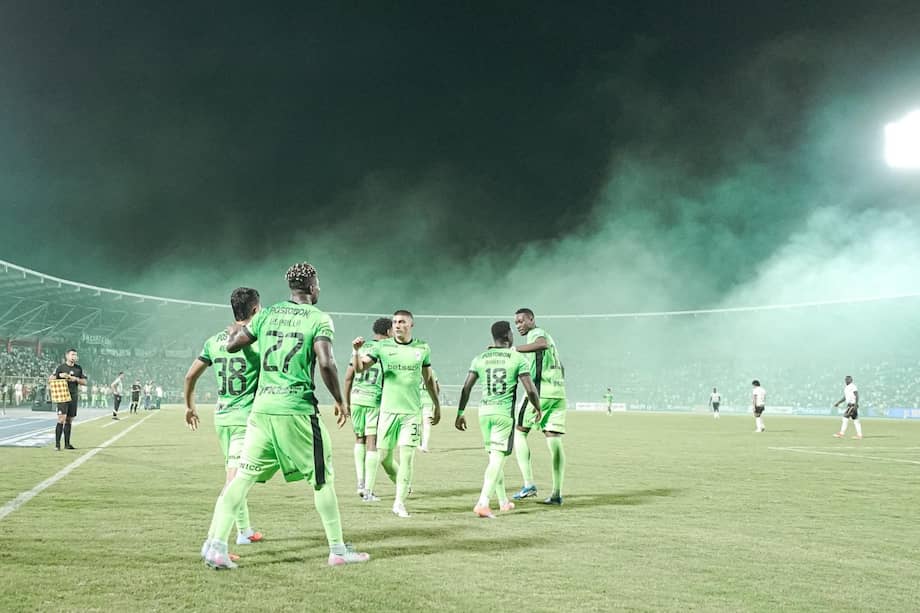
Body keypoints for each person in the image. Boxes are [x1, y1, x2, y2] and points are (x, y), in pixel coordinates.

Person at [203, 262, 369, 568]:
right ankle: (337, 551)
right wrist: (340, 400)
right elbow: (326, 362)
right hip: (296, 409)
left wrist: (236, 332)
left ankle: (216, 547)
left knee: (242, 478)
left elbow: (233, 345)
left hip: (262, 410)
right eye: (318, 284)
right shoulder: (318, 318)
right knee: (322, 479)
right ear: (312, 287)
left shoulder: (266, 314)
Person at [186, 287, 264, 559]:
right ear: (255, 309)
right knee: (234, 481)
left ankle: (244, 531)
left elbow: (190, 377)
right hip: (245, 419)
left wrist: (189, 407)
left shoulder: (214, 341)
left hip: (222, 418)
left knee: (236, 475)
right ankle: (213, 543)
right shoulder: (258, 340)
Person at [352, 309, 441, 518]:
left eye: (402, 322)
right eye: (395, 322)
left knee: (407, 457)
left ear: (411, 325)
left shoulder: (422, 348)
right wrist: (356, 352)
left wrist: (436, 405)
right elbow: (359, 369)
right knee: (383, 457)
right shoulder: (382, 347)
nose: (398, 325)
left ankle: (399, 502)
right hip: (387, 413)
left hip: (411, 414)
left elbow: (428, 380)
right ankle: (375, 488)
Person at [456, 321, 542, 518]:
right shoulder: (517, 358)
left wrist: (460, 412)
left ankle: (503, 502)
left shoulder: (480, 358)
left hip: (484, 413)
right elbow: (530, 389)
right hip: (503, 414)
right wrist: (538, 407)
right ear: (508, 335)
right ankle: (483, 503)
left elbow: (466, 387)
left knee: (494, 458)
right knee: (497, 459)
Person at [511, 308, 567, 505]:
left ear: (531, 319)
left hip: (540, 392)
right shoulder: (551, 341)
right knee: (554, 439)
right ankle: (556, 493)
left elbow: (541, 344)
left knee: (519, 432)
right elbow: (562, 366)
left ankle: (528, 484)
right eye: (516, 323)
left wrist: (514, 349)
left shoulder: (537, 333)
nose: (518, 325)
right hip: (558, 393)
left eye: (521, 321)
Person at [342, 317, 393, 499]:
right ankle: (368, 492)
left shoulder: (362, 348)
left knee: (359, 439)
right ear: (388, 331)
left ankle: (360, 483)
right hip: (374, 399)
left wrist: (346, 402)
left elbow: (348, 377)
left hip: (356, 397)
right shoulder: (387, 349)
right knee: (373, 443)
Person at [49, 349, 87, 451]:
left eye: (75, 355)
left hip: (73, 396)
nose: (74, 356)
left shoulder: (78, 368)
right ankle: (57, 444)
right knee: (61, 418)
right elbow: (50, 379)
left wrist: (76, 379)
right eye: (72, 354)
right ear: (67, 356)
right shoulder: (61, 367)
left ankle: (67, 444)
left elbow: (84, 382)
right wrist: (59, 375)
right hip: (63, 395)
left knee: (69, 420)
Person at [833, 375, 863, 439]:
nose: (846, 380)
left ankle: (841, 433)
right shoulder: (846, 388)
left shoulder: (853, 386)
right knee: (856, 420)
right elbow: (845, 397)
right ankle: (859, 435)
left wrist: (856, 404)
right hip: (850, 405)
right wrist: (838, 403)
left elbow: (857, 395)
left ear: (851, 380)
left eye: (847, 379)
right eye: (845, 379)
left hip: (852, 405)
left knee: (845, 418)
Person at [419, 367, 440, 452]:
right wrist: (436, 401)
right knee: (427, 424)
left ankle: (419, 444)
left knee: (417, 423)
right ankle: (424, 445)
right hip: (428, 400)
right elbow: (437, 388)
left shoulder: (414, 370)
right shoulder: (431, 371)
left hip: (416, 400)